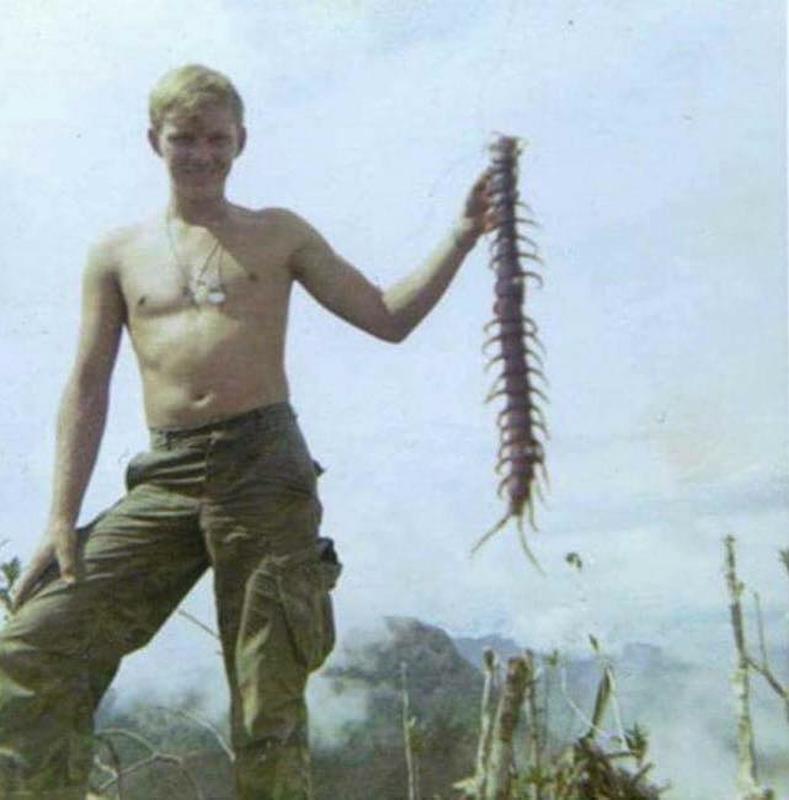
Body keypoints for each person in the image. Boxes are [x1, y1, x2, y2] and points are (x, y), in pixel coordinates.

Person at [0, 64, 496, 799]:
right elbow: (88, 383)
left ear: (240, 142)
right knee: (30, 648)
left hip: (264, 466)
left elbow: (388, 317)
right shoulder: (116, 252)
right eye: (183, 139)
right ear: (153, 142)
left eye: (216, 139)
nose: (201, 154)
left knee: (268, 699)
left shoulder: (278, 233)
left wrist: (459, 236)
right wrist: (61, 519)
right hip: (164, 476)